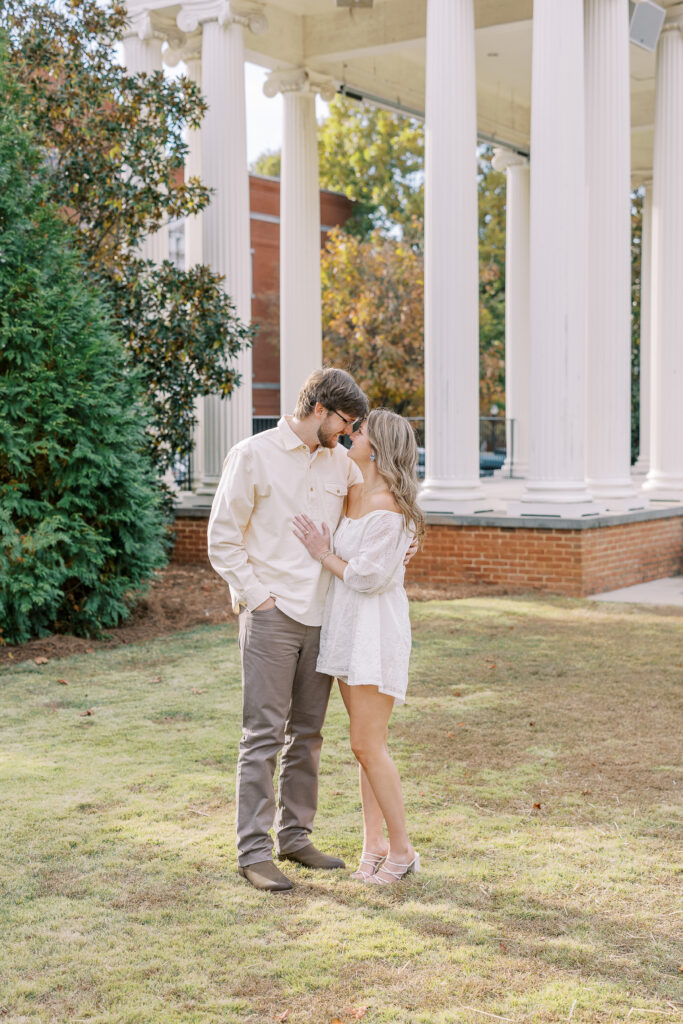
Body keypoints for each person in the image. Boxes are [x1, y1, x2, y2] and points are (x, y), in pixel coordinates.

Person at [207, 368, 368, 892]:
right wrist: (260, 599)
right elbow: (222, 540)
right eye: (344, 422)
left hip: (323, 619)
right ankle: (253, 853)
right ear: (318, 408)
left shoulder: (340, 462)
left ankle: (295, 838)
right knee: (262, 737)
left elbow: (373, 508)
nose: (347, 434)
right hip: (272, 617)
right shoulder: (253, 455)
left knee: (310, 736)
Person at [292, 409, 425, 885]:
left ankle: (404, 850)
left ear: (380, 446)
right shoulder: (354, 491)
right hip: (347, 628)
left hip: (376, 629)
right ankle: (374, 845)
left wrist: (322, 553)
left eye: (361, 430)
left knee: (367, 744)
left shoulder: (390, 507)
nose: (352, 433)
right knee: (367, 748)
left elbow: (368, 577)